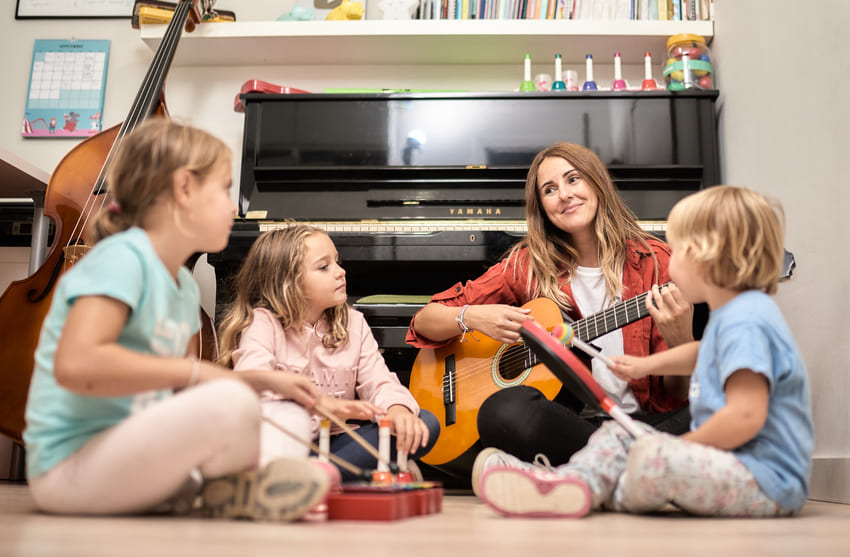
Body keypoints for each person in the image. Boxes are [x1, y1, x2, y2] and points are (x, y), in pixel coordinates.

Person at [23, 118, 332, 522]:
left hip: (136, 460)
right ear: (184, 188)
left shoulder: (184, 288)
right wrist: (201, 376)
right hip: (71, 471)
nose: (234, 206)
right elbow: (76, 365)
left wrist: (263, 381)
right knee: (230, 402)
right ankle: (231, 489)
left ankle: (229, 488)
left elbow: (182, 389)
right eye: (223, 190)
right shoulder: (121, 258)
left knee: (286, 411)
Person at [476, 185, 814, 519]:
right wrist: (646, 364)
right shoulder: (736, 315)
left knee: (650, 459)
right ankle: (568, 484)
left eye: (677, 250)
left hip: (763, 480)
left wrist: (679, 447)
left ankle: (575, 486)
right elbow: (705, 353)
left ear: (704, 257)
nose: (669, 259)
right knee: (618, 435)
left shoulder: (748, 319)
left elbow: (745, 416)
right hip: (730, 463)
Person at [406, 142, 694, 480]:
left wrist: (680, 340)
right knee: (502, 410)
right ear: (541, 206)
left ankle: (576, 473)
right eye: (550, 189)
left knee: (723, 407)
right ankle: (627, 469)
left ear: (597, 182)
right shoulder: (527, 264)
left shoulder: (658, 263)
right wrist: (473, 317)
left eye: (574, 179)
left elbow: (679, 395)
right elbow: (425, 320)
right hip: (567, 426)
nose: (565, 195)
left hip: (640, 422)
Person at [216, 225, 440, 481]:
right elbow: (254, 390)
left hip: (339, 443)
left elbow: (379, 381)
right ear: (287, 283)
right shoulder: (263, 324)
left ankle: (313, 476)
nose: (340, 271)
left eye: (337, 262)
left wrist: (397, 409)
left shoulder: (353, 323)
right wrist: (324, 409)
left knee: (424, 422)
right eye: (324, 267)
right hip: (284, 440)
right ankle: (347, 473)